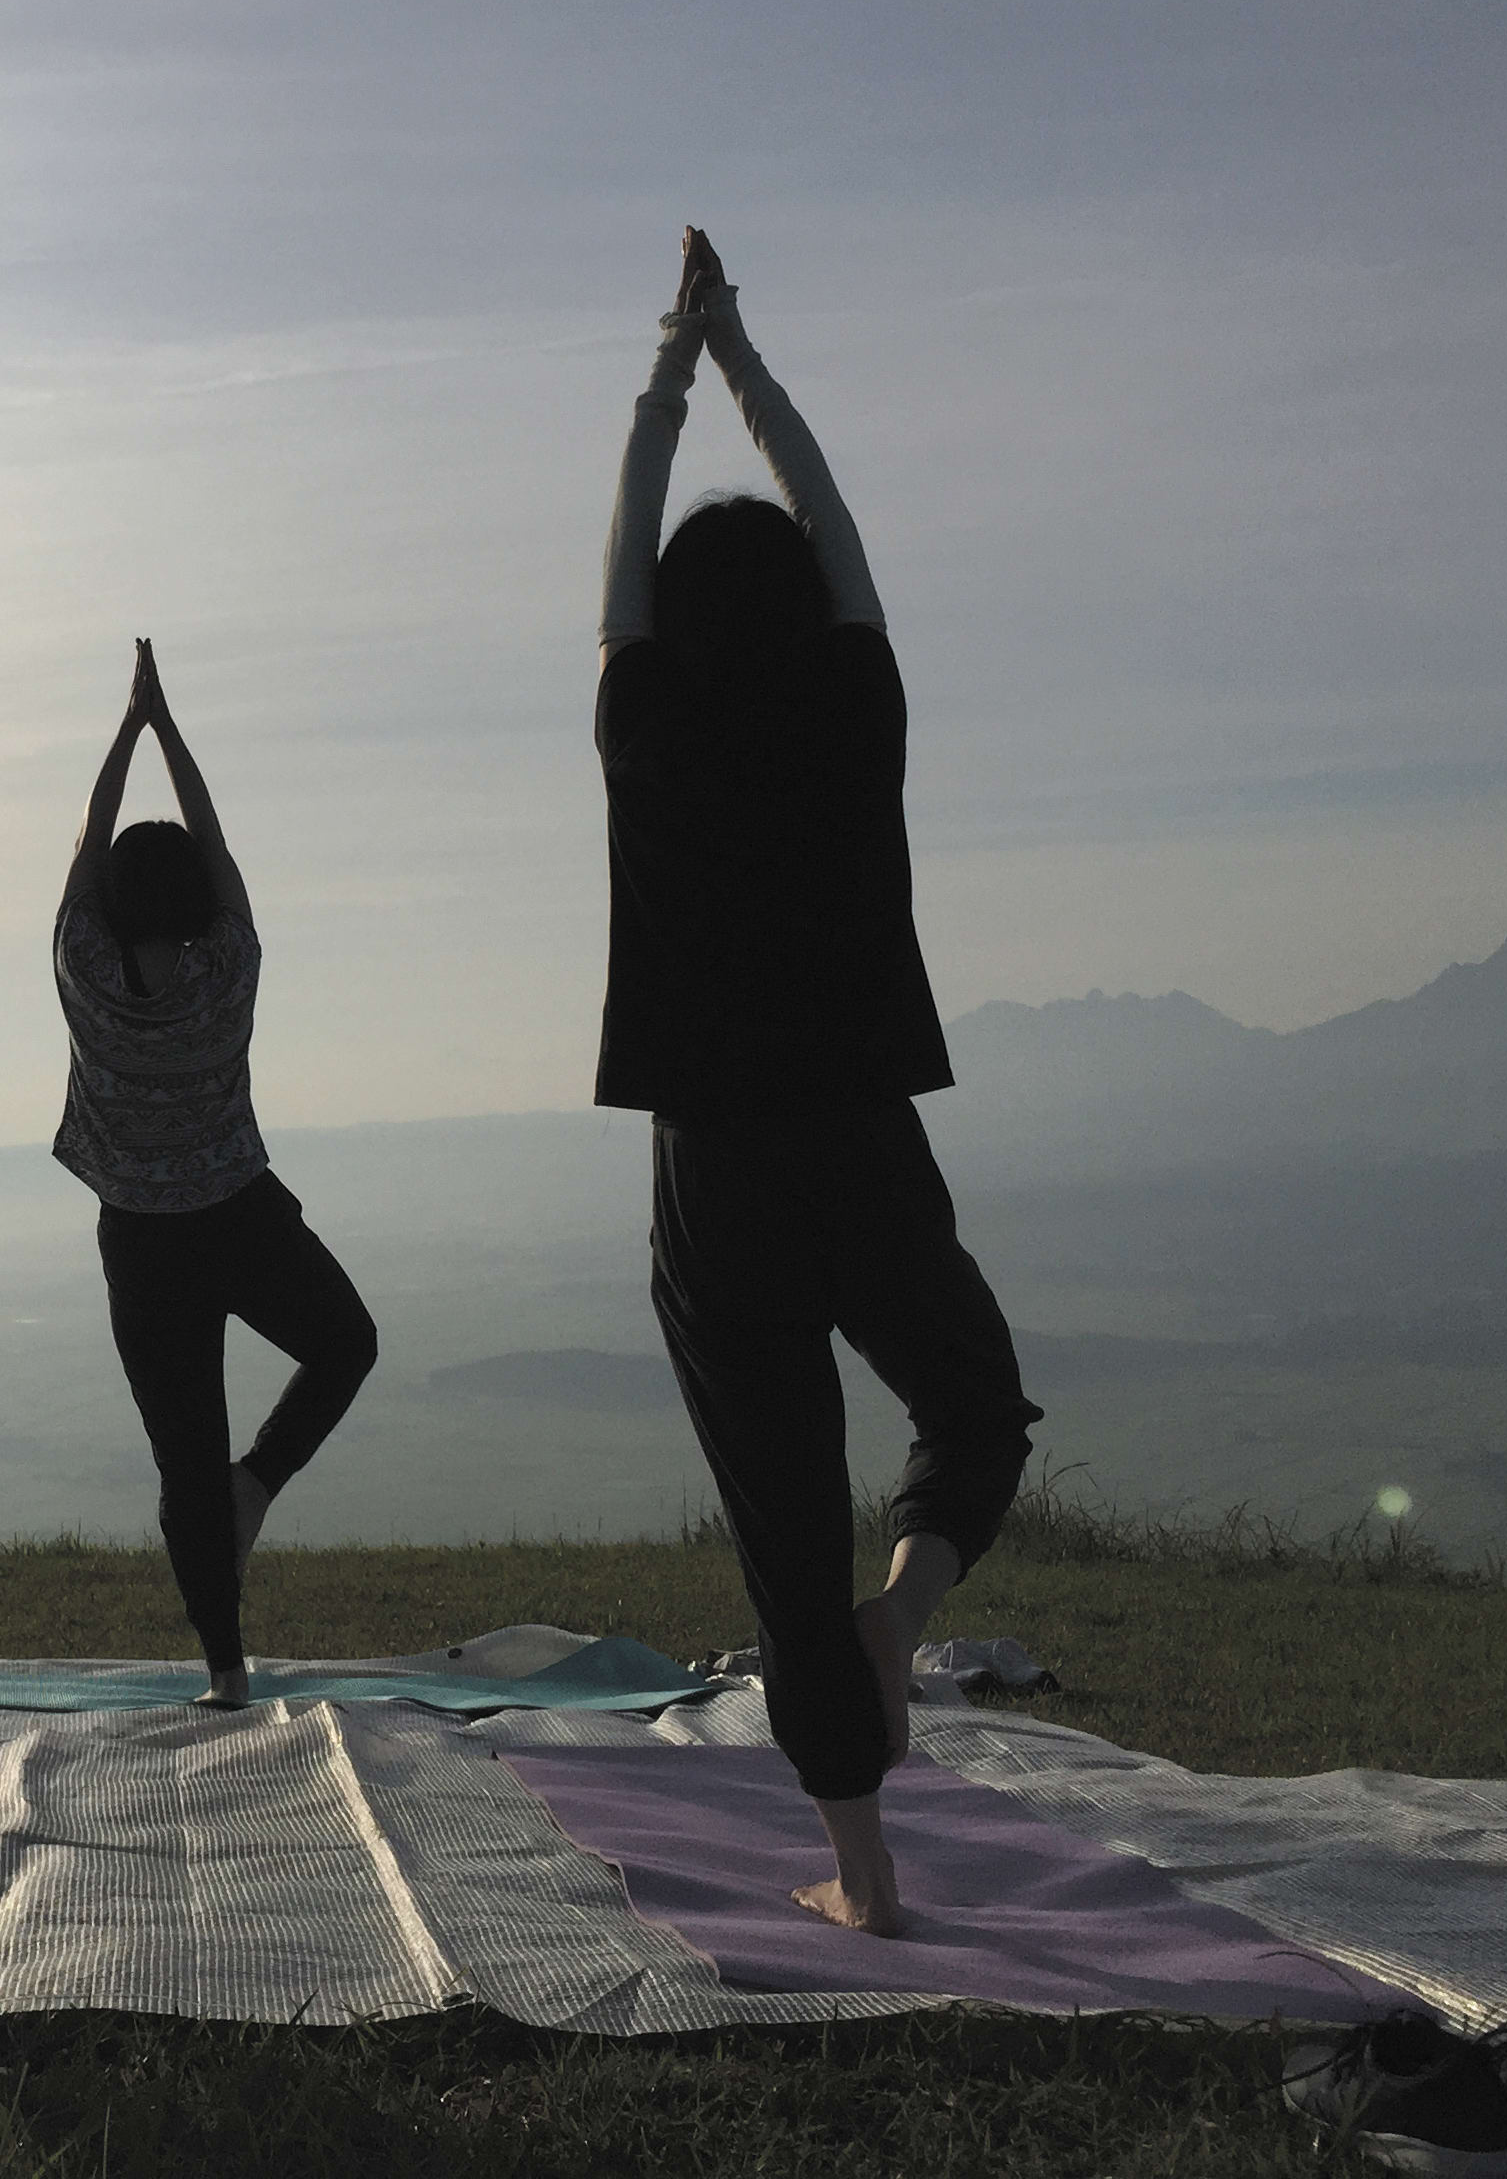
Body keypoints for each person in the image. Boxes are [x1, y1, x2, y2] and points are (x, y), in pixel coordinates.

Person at [594, 227, 1042, 1933]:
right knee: (975, 1407)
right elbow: (832, 522)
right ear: (811, 609)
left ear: (663, 625)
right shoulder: (860, 707)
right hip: (863, 1138)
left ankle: (863, 1876)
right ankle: (901, 1615)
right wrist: (737, 361)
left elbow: (624, 554)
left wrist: (665, 368)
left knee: (783, 1526)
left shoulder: (640, 722)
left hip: (715, 1175)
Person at [54, 639, 378, 1706]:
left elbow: (88, 844)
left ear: (112, 903)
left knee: (183, 1457)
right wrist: (166, 726)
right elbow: (218, 844)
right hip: (243, 1216)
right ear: (197, 896)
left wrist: (126, 730)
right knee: (346, 1343)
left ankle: (227, 1673)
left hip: (142, 1242)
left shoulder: (85, 970)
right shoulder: (229, 966)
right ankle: (258, 1485)